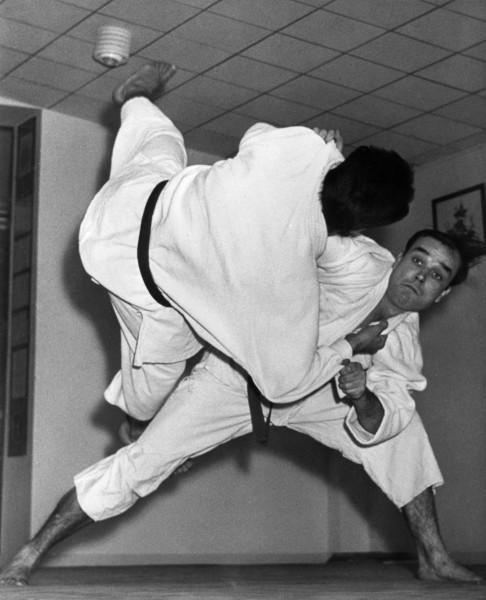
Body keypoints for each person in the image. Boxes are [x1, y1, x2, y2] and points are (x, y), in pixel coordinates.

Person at [1, 230, 483, 586]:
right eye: (417, 260)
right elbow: (301, 228)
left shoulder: (403, 348)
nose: (420, 275)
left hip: (317, 393)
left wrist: (361, 395)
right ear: (397, 258)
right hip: (238, 379)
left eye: (435, 275)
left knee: (405, 433)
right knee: (144, 462)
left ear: (439, 295)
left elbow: (385, 417)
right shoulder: (355, 259)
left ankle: (433, 557)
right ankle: (28, 553)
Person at [78, 62, 413, 442]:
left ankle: (135, 100)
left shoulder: (299, 147)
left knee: (162, 139)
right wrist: (353, 343)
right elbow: (282, 387)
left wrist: (324, 151)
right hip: (125, 269)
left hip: (133, 196)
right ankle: (138, 423)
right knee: (162, 367)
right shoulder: (292, 283)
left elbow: (256, 135)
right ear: (359, 229)